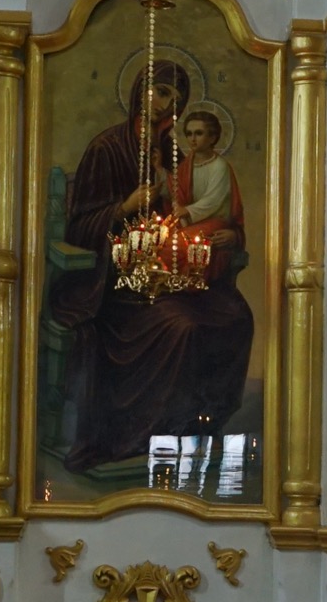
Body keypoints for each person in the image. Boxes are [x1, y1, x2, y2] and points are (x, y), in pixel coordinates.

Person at [47, 59, 254, 473]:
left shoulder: (176, 154)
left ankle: (200, 428)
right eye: (159, 92)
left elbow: (198, 210)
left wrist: (231, 236)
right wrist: (124, 207)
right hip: (114, 282)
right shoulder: (106, 148)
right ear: (140, 90)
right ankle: (145, 437)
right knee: (181, 327)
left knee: (236, 315)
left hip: (168, 274)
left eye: (175, 99)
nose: (165, 104)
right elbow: (79, 227)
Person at [171, 108, 243, 283]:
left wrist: (187, 211)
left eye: (199, 133)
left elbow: (213, 201)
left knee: (176, 244)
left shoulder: (219, 166)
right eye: (189, 134)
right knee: (166, 241)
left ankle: (187, 283)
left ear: (212, 137)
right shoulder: (186, 165)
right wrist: (158, 170)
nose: (192, 139)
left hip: (214, 222)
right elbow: (173, 188)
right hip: (191, 222)